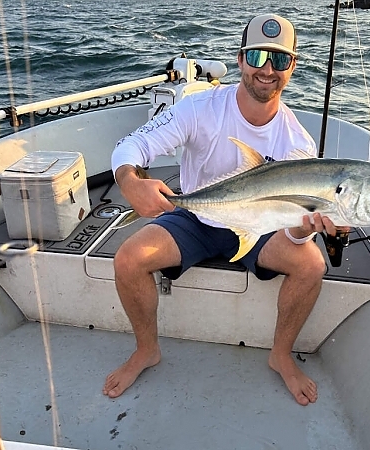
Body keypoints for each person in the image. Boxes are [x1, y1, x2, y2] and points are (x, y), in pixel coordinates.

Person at [104, 13, 343, 406]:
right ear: (240, 59)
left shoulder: (297, 143)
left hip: (260, 226)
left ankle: (280, 355)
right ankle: (147, 349)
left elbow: (291, 229)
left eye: (279, 60)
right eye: (258, 57)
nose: (267, 70)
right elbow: (130, 147)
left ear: (293, 67)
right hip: (196, 215)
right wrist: (131, 182)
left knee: (312, 263)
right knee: (129, 258)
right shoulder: (200, 108)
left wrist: (306, 229)